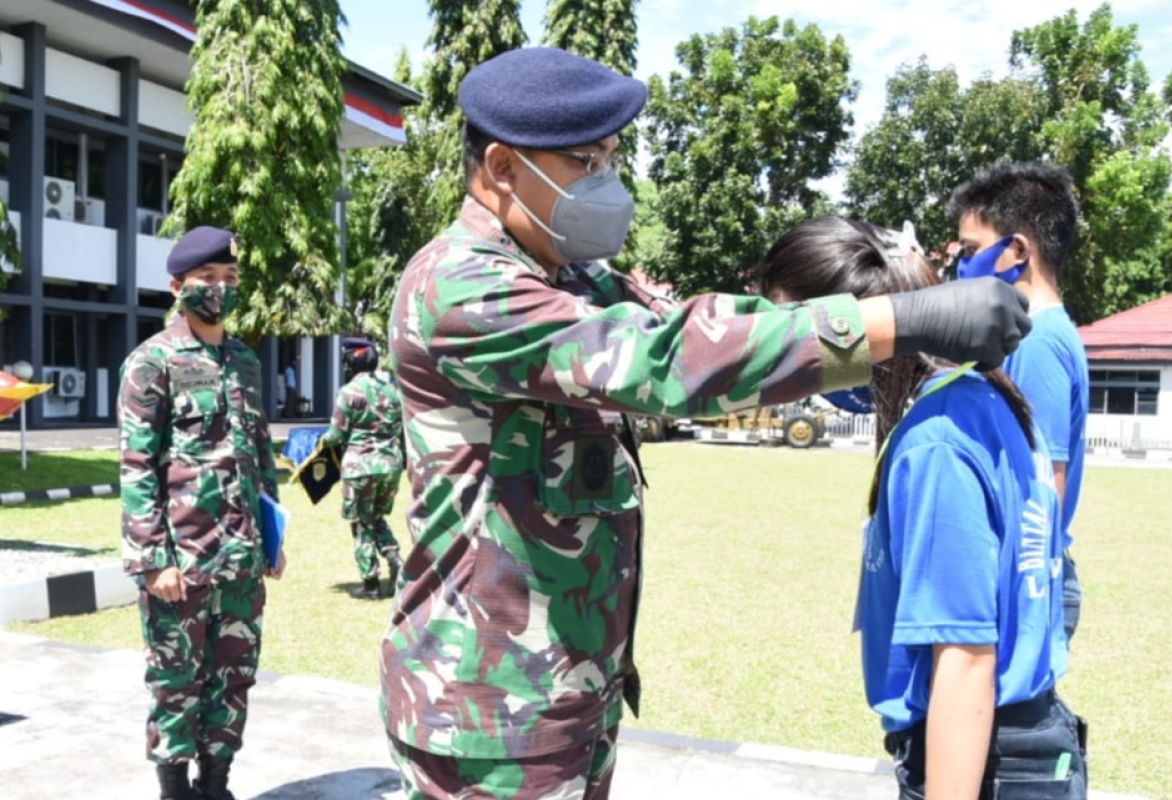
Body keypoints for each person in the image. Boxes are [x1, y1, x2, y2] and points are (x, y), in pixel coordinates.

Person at [382, 46, 1033, 800]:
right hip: (485, 713)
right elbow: (667, 359)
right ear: (501, 168)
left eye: (612, 158)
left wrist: (876, 293)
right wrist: (900, 319)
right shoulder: (461, 286)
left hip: (566, 695)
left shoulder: (574, 278)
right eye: (586, 162)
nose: (608, 182)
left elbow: (717, 325)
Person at [759, 216, 1086, 799]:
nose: (789, 362)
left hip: (984, 760)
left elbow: (964, 660)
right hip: (1017, 746)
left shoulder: (936, 437)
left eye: (796, 338)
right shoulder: (977, 396)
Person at [118, 226, 286, 800]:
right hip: (181, 560)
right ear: (177, 287)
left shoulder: (244, 360)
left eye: (230, 279)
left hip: (240, 556)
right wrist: (152, 559)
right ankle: (173, 787)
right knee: (175, 680)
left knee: (233, 677)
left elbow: (260, 452)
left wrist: (272, 533)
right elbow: (137, 466)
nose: (220, 289)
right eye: (207, 279)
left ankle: (216, 783)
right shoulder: (151, 363)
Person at [950, 162, 1089, 642]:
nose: (961, 266)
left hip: (1025, 584)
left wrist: (1015, 601)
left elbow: (1041, 488)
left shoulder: (1036, 342)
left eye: (970, 250)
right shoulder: (1034, 334)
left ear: (1017, 250)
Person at [320, 340, 405, 600]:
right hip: (390, 464)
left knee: (360, 523)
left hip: (360, 466)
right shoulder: (393, 391)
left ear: (349, 363)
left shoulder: (349, 392)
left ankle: (370, 584)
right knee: (377, 517)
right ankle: (395, 557)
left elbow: (336, 435)